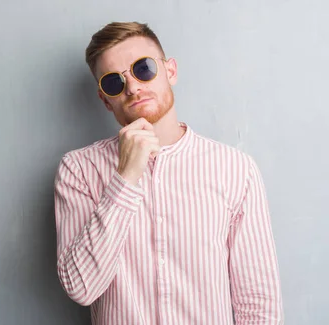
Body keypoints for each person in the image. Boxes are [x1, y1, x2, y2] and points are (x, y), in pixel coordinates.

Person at [53, 21, 284, 325]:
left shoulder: (235, 169)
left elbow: (258, 301)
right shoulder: (79, 170)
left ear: (170, 71)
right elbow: (81, 288)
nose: (133, 86)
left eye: (143, 68)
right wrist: (125, 178)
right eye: (113, 82)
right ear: (105, 100)